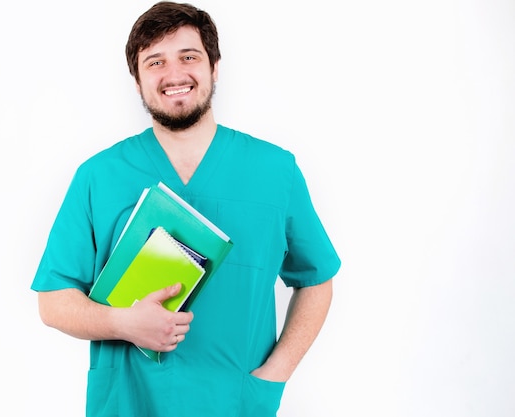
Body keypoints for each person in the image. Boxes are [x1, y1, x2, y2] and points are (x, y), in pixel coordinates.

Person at [31, 2, 341, 416]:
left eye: (188, 56)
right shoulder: (98, 176)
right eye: (155, 62)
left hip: (236, 401)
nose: (174, 74)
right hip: (128, 402)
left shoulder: (274, 170)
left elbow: (316, 279)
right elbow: (53, 301)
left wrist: (277, 373)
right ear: (138, 81)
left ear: (214, 66)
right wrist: (122, 323)